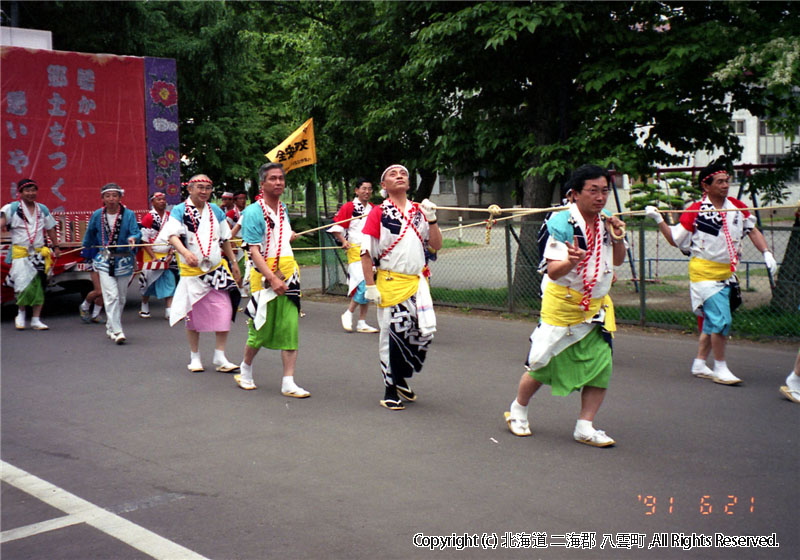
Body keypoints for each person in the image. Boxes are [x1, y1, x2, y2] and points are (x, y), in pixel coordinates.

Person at [505, 165, 626, 447]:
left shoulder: (607, 220)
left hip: (596, 307)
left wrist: (619, 235)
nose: (600, 197)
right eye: (593, 190)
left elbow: (618, 260)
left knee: (601, 366)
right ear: (574, 194)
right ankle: (518, 409)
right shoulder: (560, 223)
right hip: (563, 304)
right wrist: (572, 261)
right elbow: (553, 271)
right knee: (542, 363)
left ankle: (585, 426)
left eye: (605, 190)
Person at [645, 162, 777, 385]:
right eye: (720, 182)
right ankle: (720, 366)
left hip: (728, 273)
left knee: (711, 322)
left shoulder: (736, 207)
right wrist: (659, 219)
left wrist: (766, 252)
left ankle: (699, 362)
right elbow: (675, 240)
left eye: (727, 180)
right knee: (721, 320)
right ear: (706, 186)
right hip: (704, 273)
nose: (726, 185)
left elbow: (752, 230)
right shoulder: (694, 210)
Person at [360, 164, 442, 410]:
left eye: (403, 174)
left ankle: (401, 377)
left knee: (417, 337)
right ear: (383, 186)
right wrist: (370, 285)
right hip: (390, 283)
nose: (399, 176)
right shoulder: (378, 212)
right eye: (392, 175)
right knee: (392, 337)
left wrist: (433, 219)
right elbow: (366, 252)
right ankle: (389, 388)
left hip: (417, 283)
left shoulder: (420, 210)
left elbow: (435, 246)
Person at [234, 163, 309, 397]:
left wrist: (290, 237)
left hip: (289, 274)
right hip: (264, 275)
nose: (278, 182)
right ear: (262, 184)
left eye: (281, 179)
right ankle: (245, 370)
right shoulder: (254, 212)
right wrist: (271, 278)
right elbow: (254, 251)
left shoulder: (283, 209)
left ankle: (288, 381)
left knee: (290, 326)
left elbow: (282, 236)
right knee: (260, 329)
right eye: (273, 178)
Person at [157, 174, 241, 372]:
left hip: (216, 269)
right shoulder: (180, 210)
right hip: (192, 270)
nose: (204, 191)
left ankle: (220, 356)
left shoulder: (215, 211)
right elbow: (171, 235)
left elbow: (225, 238)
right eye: (200, 187)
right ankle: (195, 356)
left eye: (208, 188)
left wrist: (234, 262)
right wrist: (185, 252)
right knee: (192, 315)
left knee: (225, 309)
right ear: (190, 189)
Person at [81, 182, 141, 344]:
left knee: (121, 297)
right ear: (103, 198)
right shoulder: (97, 215)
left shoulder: (128, 215)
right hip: (105, 259)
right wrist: (86, 250)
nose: (111, 199)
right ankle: (118, 330)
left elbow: (136, 231)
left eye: (115, 195)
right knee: (111, 296)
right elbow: (89, 235)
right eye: (108, 196)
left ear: (120, 197)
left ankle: (110, 326)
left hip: (123, 260)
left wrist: (133, 238)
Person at [1, 178, 60, 330]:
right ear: (20, 193)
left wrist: (56, 246)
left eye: (33, 190)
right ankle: (20, 314)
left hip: (39, 253)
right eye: (27, 190)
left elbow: (51, 228)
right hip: (20, 253)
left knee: (39, 286)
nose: (31, 193)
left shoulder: (42, 209)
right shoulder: (11, 208)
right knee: (22, 285)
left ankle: (36, 319)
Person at [328, 177, 378, 333]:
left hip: (370, 250)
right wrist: (343, 240)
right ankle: (348, 312)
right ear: (356, 190)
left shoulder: (373, 208)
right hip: (355, 249)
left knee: (369, 286)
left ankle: (362, 322)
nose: (367, 192)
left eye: (369, 189)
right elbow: (337, 227)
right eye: (363, 188)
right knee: (363, 283)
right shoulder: (349, 207)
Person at [138, 191, 177, 320]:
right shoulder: (149, 217)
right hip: (152, 254)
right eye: (159, 199)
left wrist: (171, 251)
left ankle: (169, 311)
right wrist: (153, 256)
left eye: (163, 199)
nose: (162, 201)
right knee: (148, 282)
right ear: (152, 202)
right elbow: (144, 239)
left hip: (168, 255)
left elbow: (174, 236)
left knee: (169, 280)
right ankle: (144, 306)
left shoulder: (170, 216)